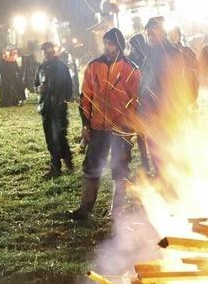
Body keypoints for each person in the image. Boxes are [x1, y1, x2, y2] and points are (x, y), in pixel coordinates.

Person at [68, 28, 141, 220]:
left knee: (120, 168)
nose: (107, 47)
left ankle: (116, 211)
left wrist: (130, 127)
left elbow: (134, 101)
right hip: (98, 127)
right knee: (91, 165)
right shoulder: (94, 66)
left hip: (120, 128)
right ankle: (85, 208)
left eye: (111, 44)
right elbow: (86, 98)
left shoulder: (131, 69)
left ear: (120, 46)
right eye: (106, 43)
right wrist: (86, 124)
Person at [137, 17, 184, 176]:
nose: (149, 32)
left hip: (166, 113)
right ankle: (162, 179)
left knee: (168, 149)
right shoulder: (149, 54)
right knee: (156, 150)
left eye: (153, 29)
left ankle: (172, 182)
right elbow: (145, 82)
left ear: (162, 31)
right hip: (150, 112)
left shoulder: (171, 52)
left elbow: (177, 83)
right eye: (147, 30)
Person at [35, 41, 74, 178]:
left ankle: (55, 167)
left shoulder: (61, 68)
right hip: (46, 107)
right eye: (44, 51)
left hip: (58, 108)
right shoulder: (41, 68)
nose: (46, 54)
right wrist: (38, 89)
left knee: (56, 138)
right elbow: (36, 84)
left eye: (48, 51)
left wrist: (61, 100)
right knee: (52, 138)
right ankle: (67, 157)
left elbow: (69, 87)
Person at [127, 33, 151, 171]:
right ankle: (145, 163)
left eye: (134, 46)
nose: (133, 48)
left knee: (146, 134)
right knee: (141, 135)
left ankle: (148, 163)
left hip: (145, 100)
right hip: (139, 101)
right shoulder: (132, 59)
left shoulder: (147, 57)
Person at [169, 26, 199, 105]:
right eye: (171, 35)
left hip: (186, 87)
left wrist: (194, 96)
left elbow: (195, 71)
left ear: (179, 36)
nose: (173, 37)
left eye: (175, 35)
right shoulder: (166, 52)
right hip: (172, 90)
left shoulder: (188, 51)